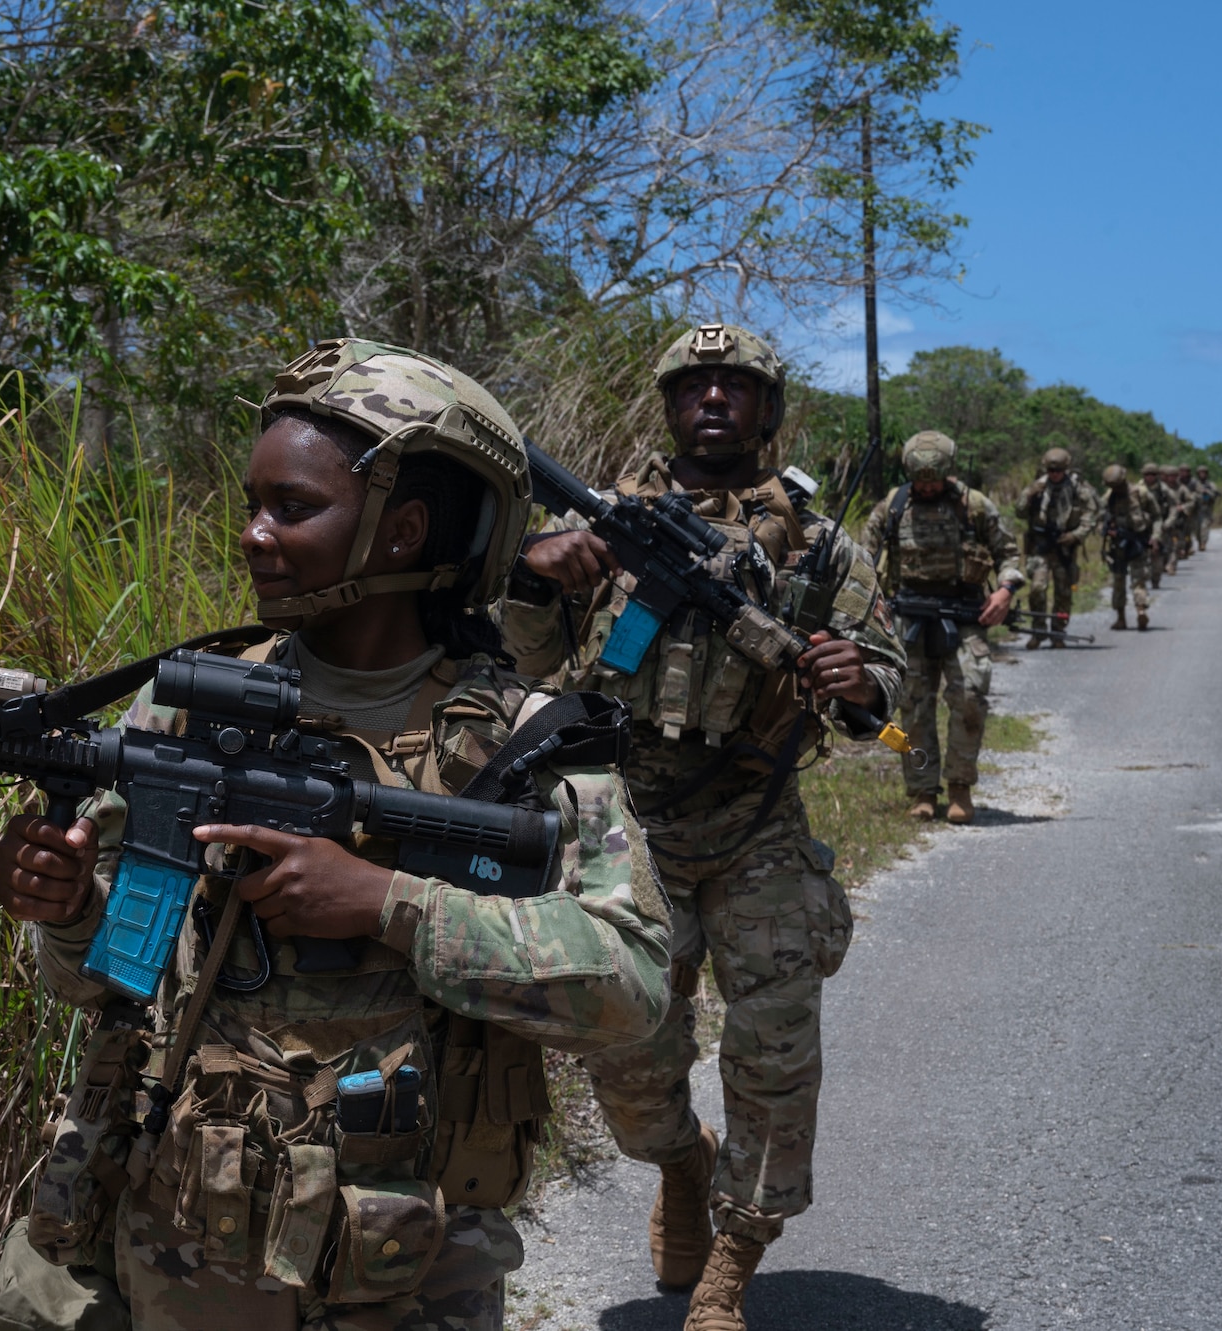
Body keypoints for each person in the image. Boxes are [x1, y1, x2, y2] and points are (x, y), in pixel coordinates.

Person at [0, 339, 672, 1331]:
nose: (253, 535)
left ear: (400, 529)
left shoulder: (521, 743)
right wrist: (65, 913)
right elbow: (99, 980)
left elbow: (633, 985)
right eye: (251, 503)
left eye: (293, 507)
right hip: (163, 1241)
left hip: (393, 1272)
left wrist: (383, 902)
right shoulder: (185, 707)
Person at [499, 323, 905, 1331]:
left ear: (767, 412)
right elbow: (529, 667)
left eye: (735, 385)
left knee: (774, 1052)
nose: (712, 397)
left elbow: (877, 676)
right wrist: (534, 575)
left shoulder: (816, 545)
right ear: (667, 405)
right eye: (693, 385)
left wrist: (858, 683)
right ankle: (678, 1160)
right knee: (629, 1043)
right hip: (625, 817)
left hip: (755, 817)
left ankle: (732, 1255)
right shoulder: (601, 521)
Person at [862, 430, 1023, 826]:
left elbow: (1009, 554)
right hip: (908, 617)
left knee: (970, 696)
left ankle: (960, 787)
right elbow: (861, 559)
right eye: (921, 479)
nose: (928, 486)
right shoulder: (893, 506)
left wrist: (1005, 591)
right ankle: (921, 790)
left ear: (948, 471)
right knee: (912, 706)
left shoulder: (974, 505)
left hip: (964, 615)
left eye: (934, 478)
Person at [1015, 447, 1097, 649]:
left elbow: (1091, 516)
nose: (1054, 475)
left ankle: (1058, 632)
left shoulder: (1077, 488)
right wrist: (1029, 496)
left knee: (1063, 592)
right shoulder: (1038, 486)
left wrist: (1075, 535)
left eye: (1058, 471)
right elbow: (1019, 512)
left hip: (1064, 547)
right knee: (1037, 588)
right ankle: (1038, 630)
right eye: (1051, 471)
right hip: (1040, 546)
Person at [1097, 464, 1161, 631]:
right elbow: (1097, 516)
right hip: (1117, 545)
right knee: (1118, 581)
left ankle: (1141, 611)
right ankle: (1121, 618)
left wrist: (1155, 537)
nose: (1115, 489)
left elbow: (1157, 517)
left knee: (1138, 579)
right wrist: (1105, 531)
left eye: (1117, 486)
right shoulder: (1108, 497)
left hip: (1138, 542)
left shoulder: (1141, 493)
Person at [1139, 463, 1170, 587]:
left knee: (1156, 553)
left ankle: (1155, 579)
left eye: (1152, 475)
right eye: (1147, 474)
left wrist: (1168, 522)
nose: (1150, 477)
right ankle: (1142, 577)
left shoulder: (1164, 490)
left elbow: (1173, 506)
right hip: (1141, 525)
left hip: (1158, 524)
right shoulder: (1138, 488)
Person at [1194, 465, 1218, 550]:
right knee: (1197, 529)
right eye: (1201, 473)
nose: (1202, 474)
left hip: (1206, 509)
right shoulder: (1195, 484)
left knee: (1204, 527)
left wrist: (1207, 492)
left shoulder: (1211, 484)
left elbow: (1214, 494)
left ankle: (1203, 543)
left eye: (1204, 473)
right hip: (1196, 509)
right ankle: (1199, 542)